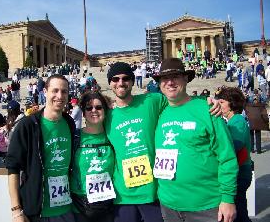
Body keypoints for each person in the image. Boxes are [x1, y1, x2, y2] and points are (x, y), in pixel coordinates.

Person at [104, 62, 220, 222]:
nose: (120, 83)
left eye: (125, 78)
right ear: (109, 83)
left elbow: (180, 101)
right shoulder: (106, 116)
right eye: (115, 79)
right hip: (123, 195)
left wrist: (205, 100)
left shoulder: (152, 100)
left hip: (154, 192)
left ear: (132, 81)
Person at [152, 58, 238, 222]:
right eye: (164, 78)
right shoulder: (160, 112)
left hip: (206, 207)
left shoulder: (208, 110)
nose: (170, 82)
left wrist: (228, 198)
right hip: (168, 205)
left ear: (186, 78)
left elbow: (227, 157)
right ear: (159, 84)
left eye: (175, 76)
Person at [6, 74, 76, 222]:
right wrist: (16, 211)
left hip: (66, 207)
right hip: (38, 211)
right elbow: (13, 168)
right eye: (55, 90)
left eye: (64, 91)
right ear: (45, 92)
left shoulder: (69, 123)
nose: (59, 96)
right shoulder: (28, 125)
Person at [70, 91, 115, 222]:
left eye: (99, 107)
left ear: (105, 111)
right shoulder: (74, 137)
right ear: (83, 113)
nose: (94, 110)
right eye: (89, 108)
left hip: (108, 205)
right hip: (79, 206)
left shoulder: (113, 136)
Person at [217, 87, 252, 222]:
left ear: (231, 103)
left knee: (238, 212)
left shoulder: (237, 121)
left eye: (221, 102)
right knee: (240, 210)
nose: (219, 105)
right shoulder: (234, 120)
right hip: (241, 170)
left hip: (240, 172)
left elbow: (233, 146)